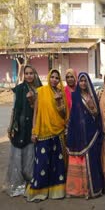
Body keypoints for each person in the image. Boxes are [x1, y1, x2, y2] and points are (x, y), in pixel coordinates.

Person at [25, 69, 69, 202]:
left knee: (57, 164)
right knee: (42, 164)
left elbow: (63, 115)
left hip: (58, 133)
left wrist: (59, 101)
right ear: (49, 78)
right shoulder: (41, 91)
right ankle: (38, 192)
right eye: (52, 77)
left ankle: (56, 192)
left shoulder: (60, 93)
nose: (54, 80)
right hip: (43, 133)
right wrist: (34, 131)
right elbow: (36, 113)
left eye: (57, 78)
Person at [4, 65, 42, 197]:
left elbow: (41, 110)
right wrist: (10, 126)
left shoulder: (40, 90)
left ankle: (30, 183)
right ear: (24, 75)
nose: (29, 76)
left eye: (31, 73)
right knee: (17, 157)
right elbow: (14, 109)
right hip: (19, 127)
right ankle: (17, 186)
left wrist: (32, 100)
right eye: (27, 73)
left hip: (33, 127)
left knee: (30, 157)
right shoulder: (20, 89)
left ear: (35, 74)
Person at [66, 72, 103, 198]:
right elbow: (73, 117)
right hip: (79, 133)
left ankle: (92, 190)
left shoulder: (93, 96)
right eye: (80, 81)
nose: (82, 83)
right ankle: (79, 190)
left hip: (91, 134)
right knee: (80, 162)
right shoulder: (75, 96)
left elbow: (97, 115)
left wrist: (92, 106)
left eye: (84, 81)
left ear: (88, 82)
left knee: (92, 161)